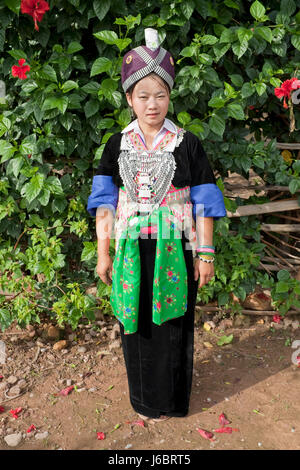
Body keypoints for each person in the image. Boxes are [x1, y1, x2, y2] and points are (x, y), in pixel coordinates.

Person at [87, 29, 226, 423]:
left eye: (160, 95)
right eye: (143, 96)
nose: (153, 104)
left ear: (170, 97)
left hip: (176, 253)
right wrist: (104, 253)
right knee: (136, 325)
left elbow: (205, 204)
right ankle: (144, 400)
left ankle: (173, 400)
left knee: (174, 327)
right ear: (129, 99)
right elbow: (104, 204)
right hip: (132, 250)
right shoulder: (117, 145)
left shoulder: (187, 144)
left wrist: (205, 253)